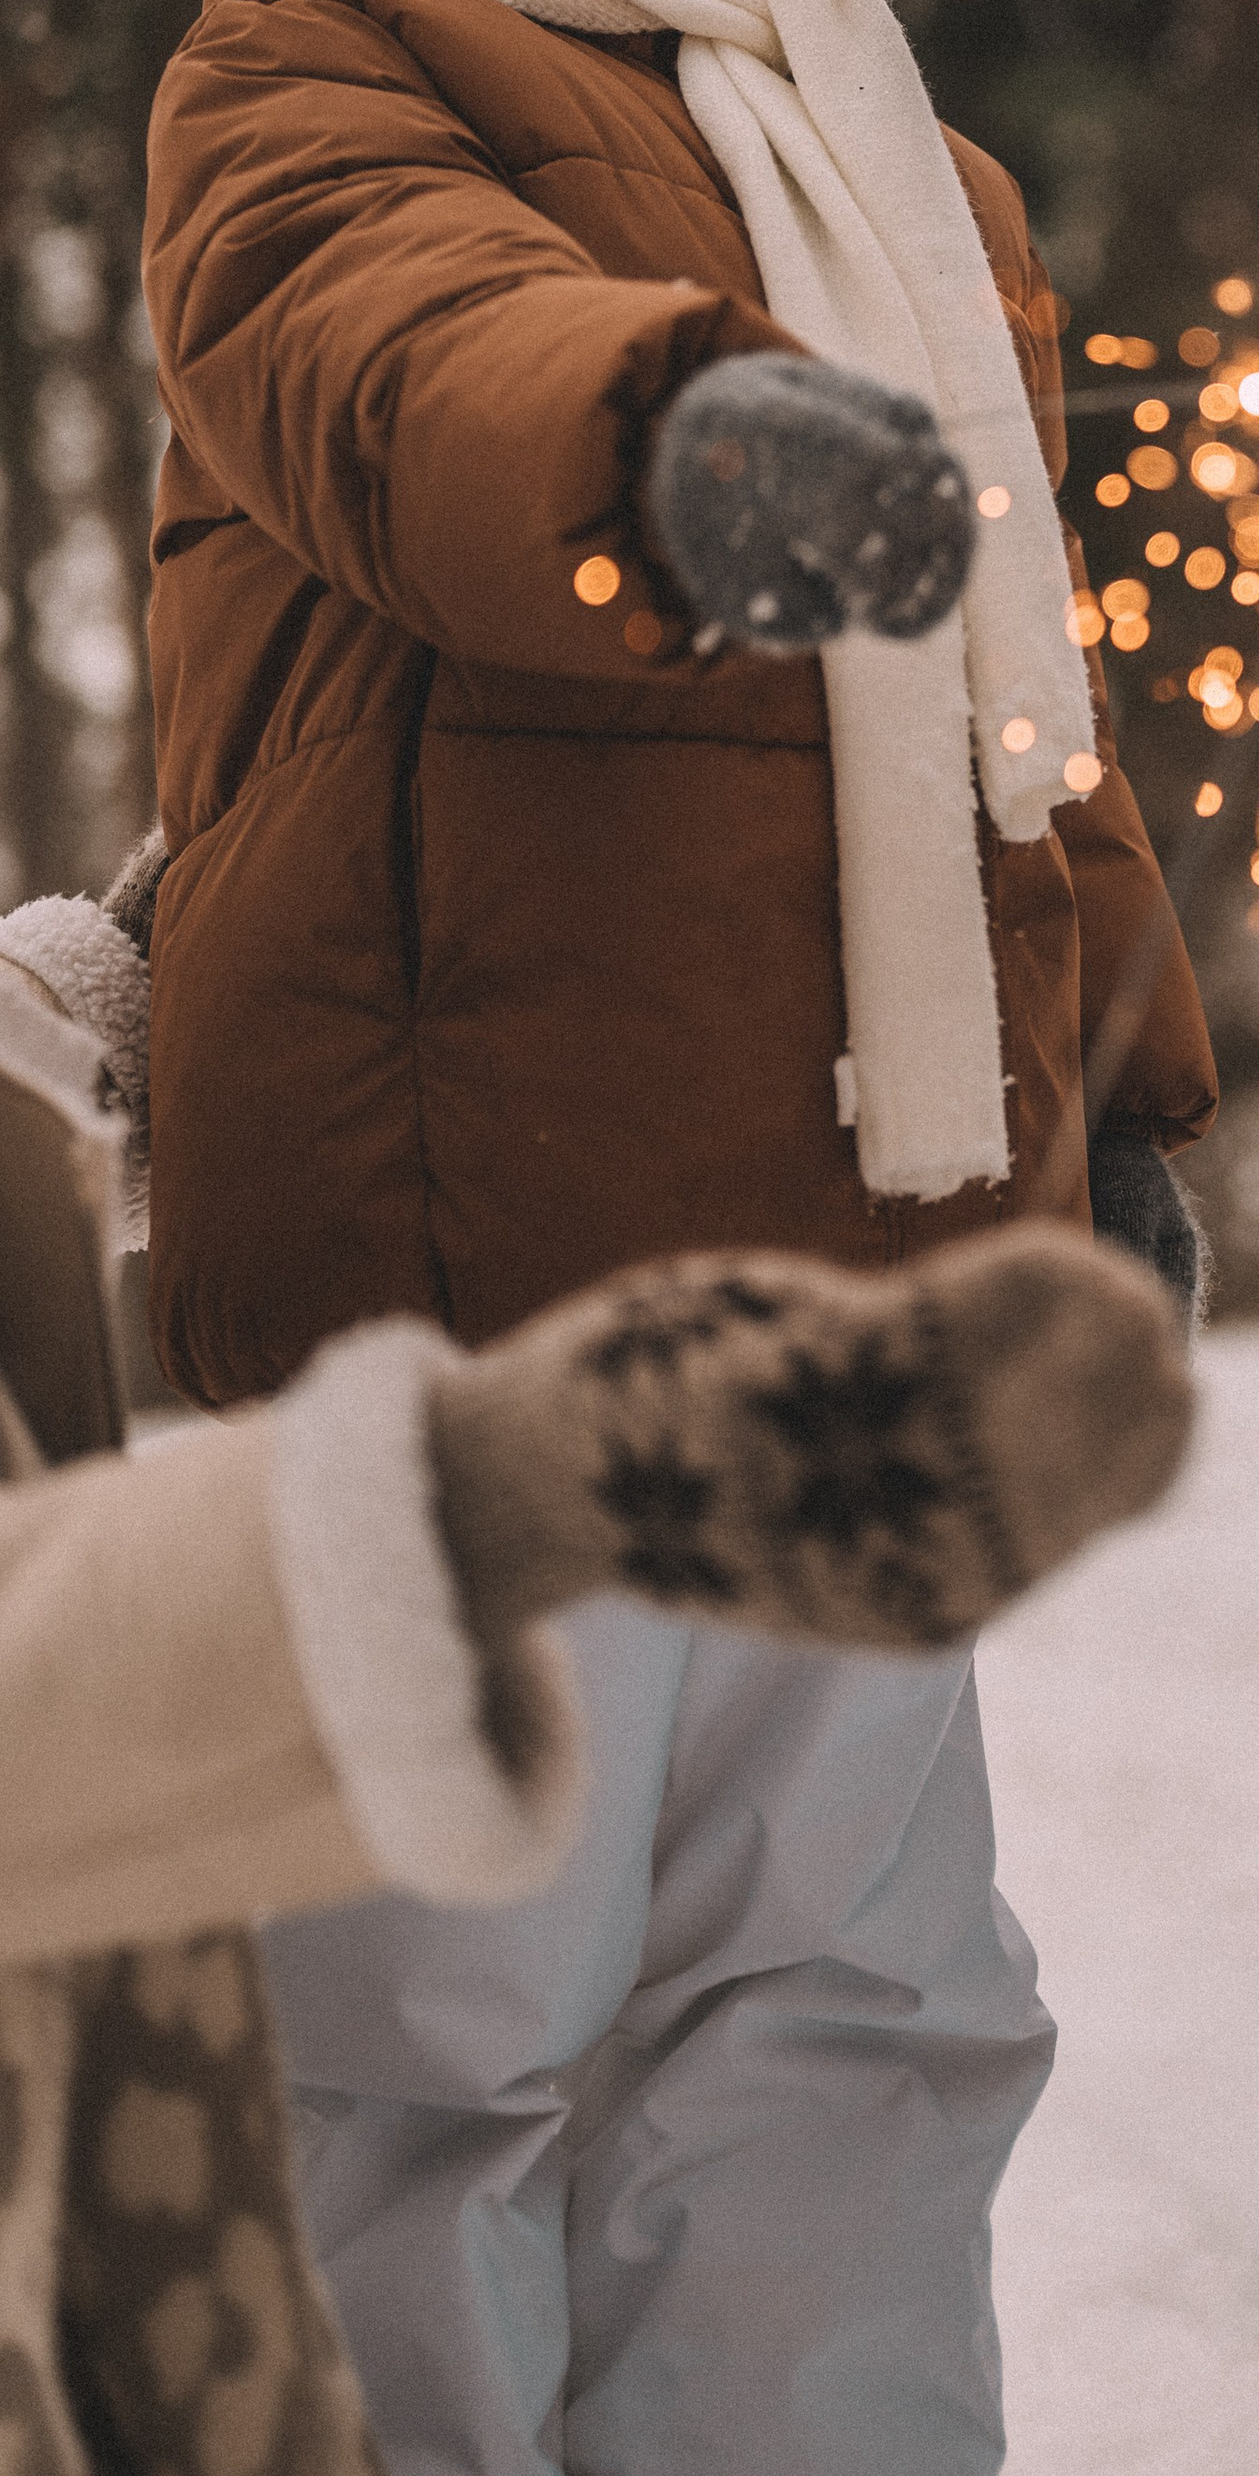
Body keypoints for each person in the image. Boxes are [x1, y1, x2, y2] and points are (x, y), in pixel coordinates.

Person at [137, 0, 1217, 2474]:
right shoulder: (300, 59)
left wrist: (1107, 1095)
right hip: (446, 1231)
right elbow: (378, 335)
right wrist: (665, 436)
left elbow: (1024, 701)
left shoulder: (880, 128)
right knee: (438, 2024)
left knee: (847, 2018)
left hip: (852, 1249)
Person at [0, 859, 1190, 2476]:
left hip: (801, 1231)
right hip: (461, 1273)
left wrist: (1102, 1079)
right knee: (492, 2066)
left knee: (803, 2043)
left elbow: (1029, 719)